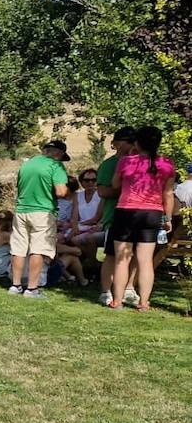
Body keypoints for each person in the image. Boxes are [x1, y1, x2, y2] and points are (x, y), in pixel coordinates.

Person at [107, 126, 176, 311]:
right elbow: (168, 194)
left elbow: (114, 184)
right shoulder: (167, 164)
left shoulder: (126, 161)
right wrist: (167, 218)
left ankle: (118, 301)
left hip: (126, 211)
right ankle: (144, 303)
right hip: (152, 213)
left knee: (122, 259)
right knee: (145, 260)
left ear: (136, 142)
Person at [9, 140, 70, 298]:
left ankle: (15, 285)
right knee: (38, 249)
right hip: (42, 212)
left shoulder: (27, 165)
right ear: (59, 153)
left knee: (19, 248)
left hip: (21, 210)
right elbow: (61, 192)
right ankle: (32, 288)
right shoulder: (55, 166)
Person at [96, 128, 139, 306]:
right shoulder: (109, 165)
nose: (134, 146)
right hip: (114, 216)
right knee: (112, 255)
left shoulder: (141, 163)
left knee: (137, 254)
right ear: (118, 144)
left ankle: (129, 288)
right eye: (130, 142)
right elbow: (103, 191)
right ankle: (106, 291)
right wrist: (127, 189)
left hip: (137, 216)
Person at [71, 167, 104, 260]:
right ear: (81, 182)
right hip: (82, 226)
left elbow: (96, 218)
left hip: (96, 226)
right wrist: (75, 226)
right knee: (72, 239)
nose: (90, 183)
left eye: (94, 180)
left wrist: (79, 224)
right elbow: (75, 215)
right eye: (87, 180)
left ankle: (91, 263)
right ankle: (90, 262)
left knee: (89, 238)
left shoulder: (101, 195)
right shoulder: (77, 196)